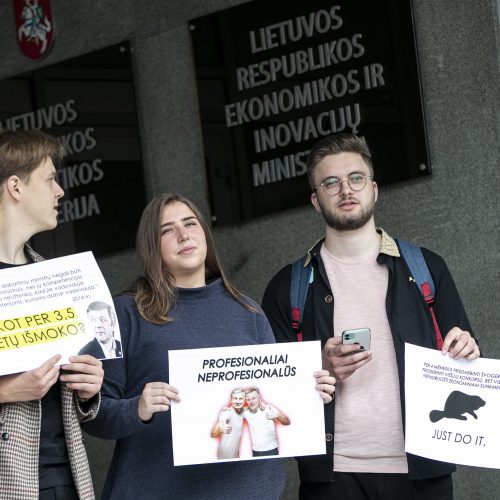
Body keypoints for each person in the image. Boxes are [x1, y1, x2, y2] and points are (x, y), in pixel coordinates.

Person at [262, 133, 480, 500]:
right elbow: (270, 389)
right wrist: (322, 367)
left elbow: (466, 354)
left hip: (422, 470)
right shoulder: (288, 287)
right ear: (316, 201)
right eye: (330, 182)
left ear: (374, 189)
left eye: (356, 178)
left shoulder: (427, 268)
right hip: (333, 477)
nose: (345, 189)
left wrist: (468, 348)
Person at [83, 193, 335, 500]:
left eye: (190, 223)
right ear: (152, 247)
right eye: (166, 230)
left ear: (204, 232)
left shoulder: (248, 312)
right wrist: (137, 408)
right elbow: (93, 415)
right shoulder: (123, 314)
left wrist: (307, 392)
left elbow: (276, 402)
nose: (183, 234)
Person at [0, 130, 104, 500]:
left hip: (67, 478)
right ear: (15, 186)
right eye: (50, 179)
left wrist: (89, 387)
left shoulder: (51, 276)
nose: (60, 191)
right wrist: (7, 390)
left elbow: (73, 397)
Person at [244, 387, 290, 457]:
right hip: (256, 451)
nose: (251, 402)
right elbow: (235, 410)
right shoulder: (246, 413)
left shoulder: (268, 408)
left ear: (259, 398)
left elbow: (287, 421)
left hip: (271, 450)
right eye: (249, 400)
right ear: (246, 401)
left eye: (254, 398)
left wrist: (276, 415)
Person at [210, 388, 246, 459]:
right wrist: (220, 428)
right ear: (231, 400)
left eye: (240, 399)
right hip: (225, 458)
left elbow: (249, 408)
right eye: (235, 398)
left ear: (244, 400)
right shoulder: (227, 412)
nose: (238, 401)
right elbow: (213, 434)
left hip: (235, 456)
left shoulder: (242, 412)